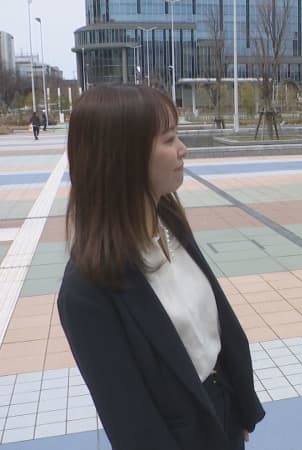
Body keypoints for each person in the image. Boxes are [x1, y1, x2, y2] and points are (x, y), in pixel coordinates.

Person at [57, 85, 265, 450]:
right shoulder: (86, 291)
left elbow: (216, 325)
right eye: (169, 139)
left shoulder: (168, 220)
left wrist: (239, 406)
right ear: (123, 157)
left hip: (223, 412)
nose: (183, 149)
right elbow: (131, 423)